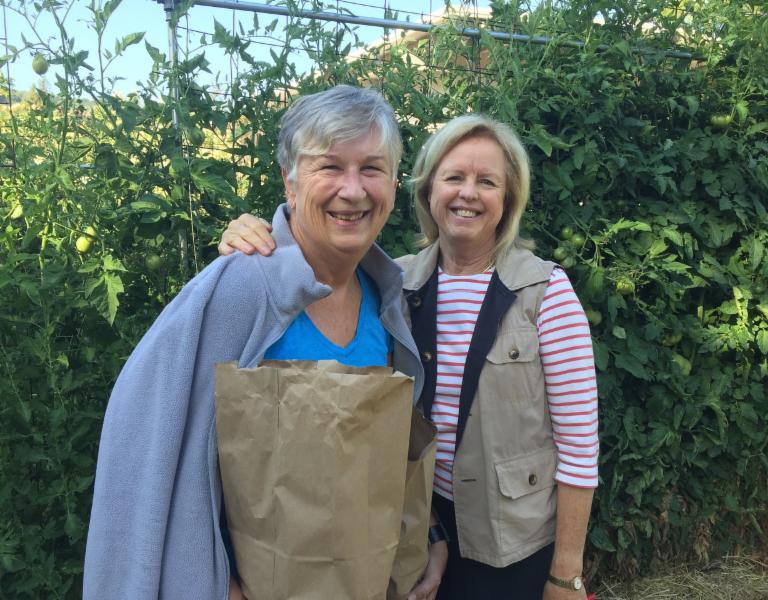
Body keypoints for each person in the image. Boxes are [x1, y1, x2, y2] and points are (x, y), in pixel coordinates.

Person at [83, 85, 445, 600]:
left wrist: (427, 534)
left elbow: (391, 452)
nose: (353, 190)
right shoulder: (242, 289)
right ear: (289, 182)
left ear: (392, 182)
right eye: (329, 166)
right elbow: (148, 441)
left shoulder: (388, 300)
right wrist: (214, 585)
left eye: (372, 168)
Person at [220, 113, 599, 599]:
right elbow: (313, 254)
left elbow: (578, 448)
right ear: (428, 191)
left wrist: (566, 573)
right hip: (415, 531)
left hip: (512, 546)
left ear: (508, 200)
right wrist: (254, 234)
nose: (468, 193)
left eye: (487, 182)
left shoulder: (546, 292)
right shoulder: (394, 285)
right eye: (454, 177)